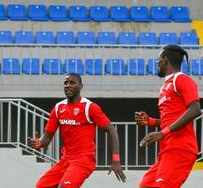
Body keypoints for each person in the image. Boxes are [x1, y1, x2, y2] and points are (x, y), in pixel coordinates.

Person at [28, 73, 126, 188]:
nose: (68, 86)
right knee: (41, 186)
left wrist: (116, 160)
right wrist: (39, 143)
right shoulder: (58, 108)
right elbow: (47, 137)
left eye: (72, 83)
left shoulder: (89, 107)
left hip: (84, 160)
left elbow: (111, 130)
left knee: (65, 186)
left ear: (81, 86)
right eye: (65, 83)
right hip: (66, 159)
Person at [135, 44, 201, 188]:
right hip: (166, 149)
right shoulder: (165, 86)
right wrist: (151, 121)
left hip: (180, 148)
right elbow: (170, 119)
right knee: (145, 185)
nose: (157, 63)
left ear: (165, 60)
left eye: (158, 60)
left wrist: (163, 133)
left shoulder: (181, 79)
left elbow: (195, 109)